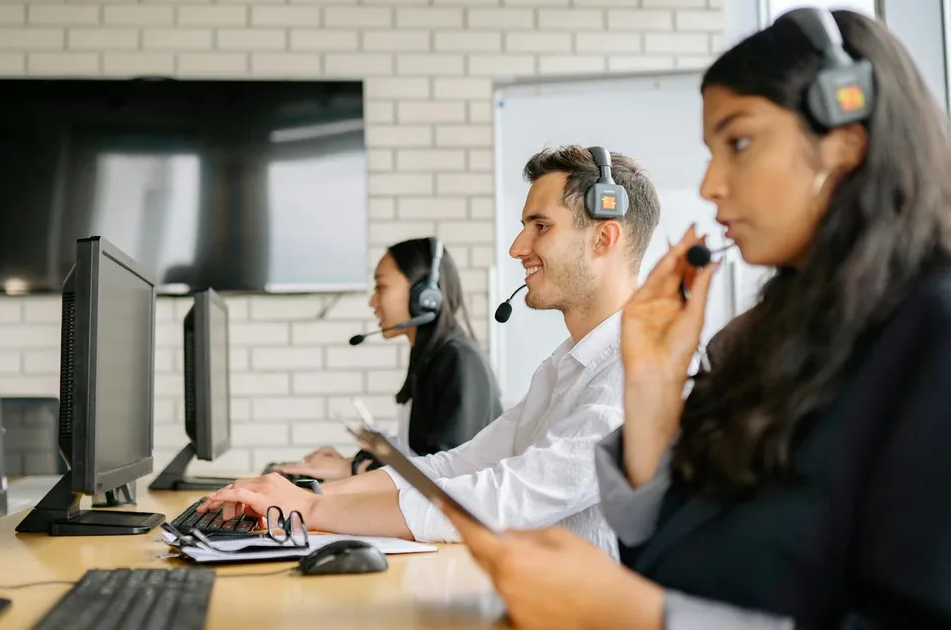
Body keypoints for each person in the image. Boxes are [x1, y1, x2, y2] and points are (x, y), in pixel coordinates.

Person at [440, 8, 951, 630]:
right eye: (711, 153)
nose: (711, 184)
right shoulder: (768, 340)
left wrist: (639, 616)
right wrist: (654, 390)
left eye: (738, 143)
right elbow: (682, 555)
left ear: (846, 136)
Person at [198, 146, 663, 554]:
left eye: (540, 226)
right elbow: (455, 463)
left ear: (604, 237)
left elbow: (505, 499)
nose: (517, 247)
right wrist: (307, 494)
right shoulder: (564, 366)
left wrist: (313, 508)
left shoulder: (633, 374)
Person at [275, 237, 503, 481]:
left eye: (381, 287)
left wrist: (353, 470)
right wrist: (357, 460)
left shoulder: (459, 360)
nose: (373, 302)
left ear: (425, 296)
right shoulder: (431, 357)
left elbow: (446, 475)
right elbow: (417, 454)